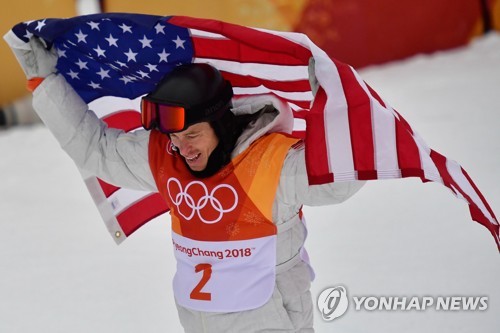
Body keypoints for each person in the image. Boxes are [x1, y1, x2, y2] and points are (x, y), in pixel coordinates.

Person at [12, 37, 364, 332]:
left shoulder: (271, 164)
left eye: (193, 134)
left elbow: (341, 179)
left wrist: (334, 102)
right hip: (199, 322)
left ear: (220, 123)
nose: (183, 147)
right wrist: (46, 84)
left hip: (270, 318)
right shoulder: (168, 157)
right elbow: (97, 150)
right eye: (175, 136)